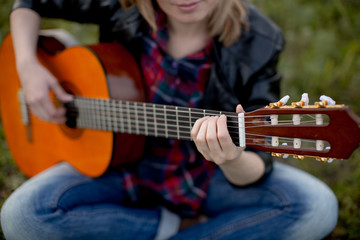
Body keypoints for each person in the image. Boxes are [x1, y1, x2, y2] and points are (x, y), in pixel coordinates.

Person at [1, 0, 338, 239]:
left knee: (316, 207)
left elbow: (257, 162)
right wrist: (28, 66)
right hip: (117, 166)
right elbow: (29, 3)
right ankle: (176, 227)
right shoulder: (126, 5)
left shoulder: (259, 40)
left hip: (204, 177)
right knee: (21, 218)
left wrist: (232, 158)